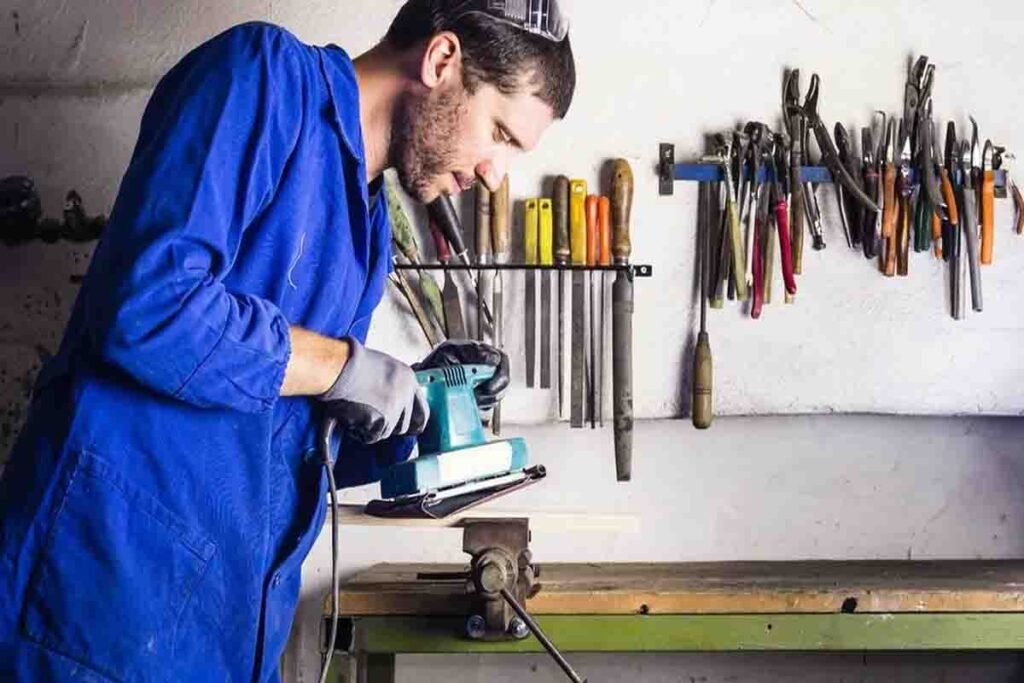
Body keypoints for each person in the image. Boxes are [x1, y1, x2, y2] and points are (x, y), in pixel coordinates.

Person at [0, 0, 576, 679]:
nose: (494, 173)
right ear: (441, 60)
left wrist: (414, 401)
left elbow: (294, 436)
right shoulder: (264, 79)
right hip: (98, 607)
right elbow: (148, 305)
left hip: (226, 628)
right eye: (501, 134)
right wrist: (341, 366)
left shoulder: (366, 231)